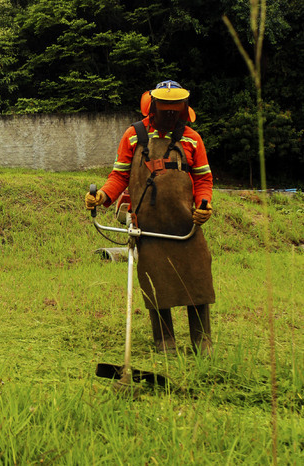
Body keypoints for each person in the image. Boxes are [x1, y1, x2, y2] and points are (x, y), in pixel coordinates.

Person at [85, 80, 215, 355]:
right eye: (164, 109)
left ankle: (202, 342)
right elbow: (119, 175)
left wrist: (204, 206)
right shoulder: (134, 136)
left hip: (185, 225)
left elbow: (203, 179)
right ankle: (165, 342)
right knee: (156, 283)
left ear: (183, 109)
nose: (169, 114)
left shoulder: (192, 138)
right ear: (152, 107)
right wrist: (103, 197)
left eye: (174, 109)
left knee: (198, 279)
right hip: (148, 226)